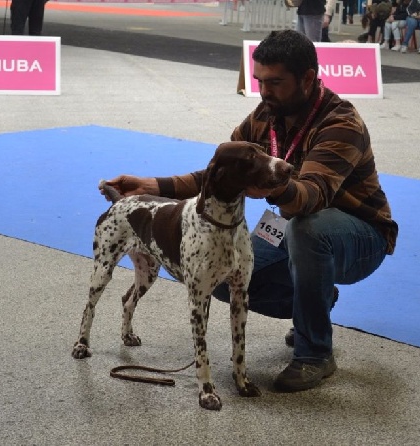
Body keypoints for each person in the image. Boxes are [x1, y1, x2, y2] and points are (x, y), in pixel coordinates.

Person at [103, 30, 398, 392]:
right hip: (289, 226)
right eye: (260, 81)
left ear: (307, 78)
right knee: (227, 276)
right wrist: (152, 186)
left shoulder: (340, 123)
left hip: (359, 234)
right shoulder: (265, 115)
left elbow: (311, 196)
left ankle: (314, 352)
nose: (264, 91)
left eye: (275, 82)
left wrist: (275, 186)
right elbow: (216, 174)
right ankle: (315, 301)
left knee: (308, 229)